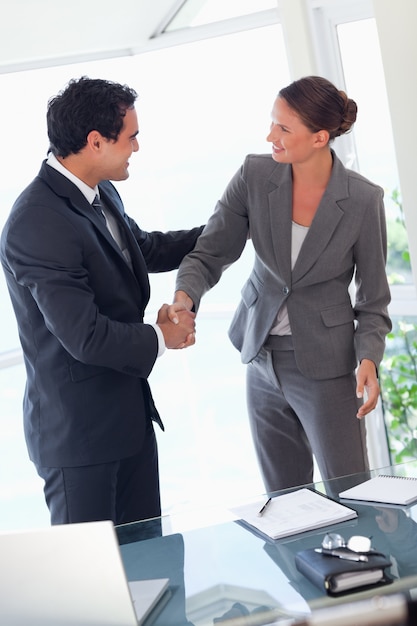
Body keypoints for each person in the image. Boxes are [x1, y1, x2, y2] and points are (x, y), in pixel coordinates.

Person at [173, 75, 391, 493]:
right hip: (260, 358)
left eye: (284, 128)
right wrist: (185, 298)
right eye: (273, 122)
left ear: (319, 137)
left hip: (326, 368)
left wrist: (368, 359)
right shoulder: (255, 175)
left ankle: (361, 561)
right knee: (285, 501)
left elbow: (373, 299)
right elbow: (210, 251)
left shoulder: (363, 199)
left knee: (351, 493)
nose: (270, 135)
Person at [0, 76, 203, 525]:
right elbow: (85, 336)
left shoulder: (101, 189)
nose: (136, 147)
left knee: (153, 565)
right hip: (80, 442)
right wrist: (162, 336)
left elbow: (141, 248)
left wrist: (222, 235)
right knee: (91, 585)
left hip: (129, 424)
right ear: (96, 141)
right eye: (131, 136)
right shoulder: (36, 221)